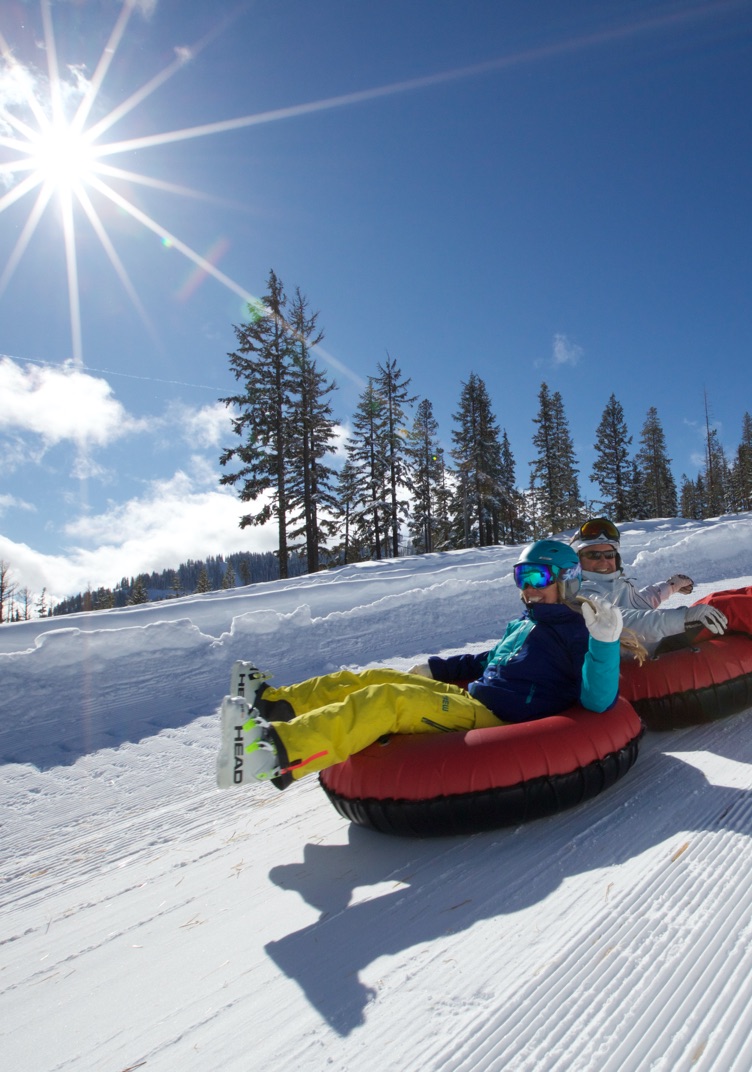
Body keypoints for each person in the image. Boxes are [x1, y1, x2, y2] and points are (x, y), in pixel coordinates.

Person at [216, 539, 624, 791]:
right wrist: (438, 669)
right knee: (375, 676)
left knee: (387, 699)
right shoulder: (529, 621)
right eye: (522, 576)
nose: (527, 588)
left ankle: (275, 753)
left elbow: (597, 699)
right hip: (472, 697)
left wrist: (604, 643)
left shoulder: (577, 631)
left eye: (538, 578)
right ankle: (273, 704)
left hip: (497, 719)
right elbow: (488, 659)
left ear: (568, 580)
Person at [570, 518, 728, 655]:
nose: (604, 561)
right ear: (578, 561)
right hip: (650, 651)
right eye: (593, 555)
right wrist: (683, 618)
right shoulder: (584, 592)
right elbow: (621, 620)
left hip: (656, 640)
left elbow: (639, 604)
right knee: (727, 607)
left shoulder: (611, 583)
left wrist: (671, 586)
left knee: (717, 600)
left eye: (609, 554)